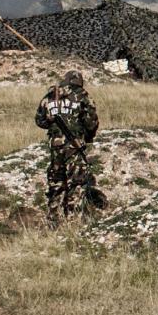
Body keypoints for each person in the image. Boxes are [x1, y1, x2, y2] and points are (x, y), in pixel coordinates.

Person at [34, 70, 102, 222]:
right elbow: (91, 122)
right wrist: (87, 136)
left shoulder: (51, 95)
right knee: (76, 181)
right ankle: (73, 218)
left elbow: (40, 120)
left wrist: (54, 124)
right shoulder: (82, 95)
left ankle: (53, 217)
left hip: (55, 146)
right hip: (74, 145)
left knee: (56, 180)